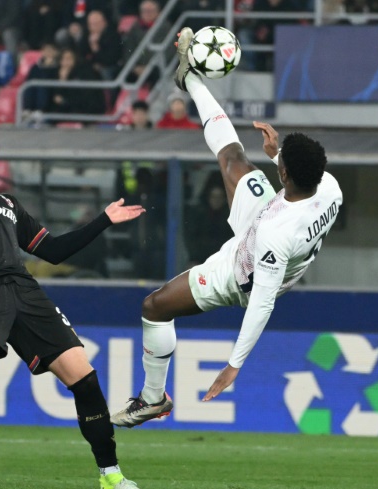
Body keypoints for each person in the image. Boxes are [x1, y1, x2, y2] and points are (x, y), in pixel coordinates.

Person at [110, 27, 343, 427]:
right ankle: (191, 80)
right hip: (271, 210)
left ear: (285, 174)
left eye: (282, 160)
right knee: (233, 156)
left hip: (240, 273)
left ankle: (153, 399)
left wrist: (233, 365)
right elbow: (299, 178)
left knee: (154, 308)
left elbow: (263, 302)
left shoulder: (276, 234)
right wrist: (277, 156)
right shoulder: (329, 187)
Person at [0, 107, 151, 489]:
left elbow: (54, 250)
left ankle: (111, 476)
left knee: (86, 379)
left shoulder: (8, 203)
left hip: (24, 290)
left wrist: (103, 221)